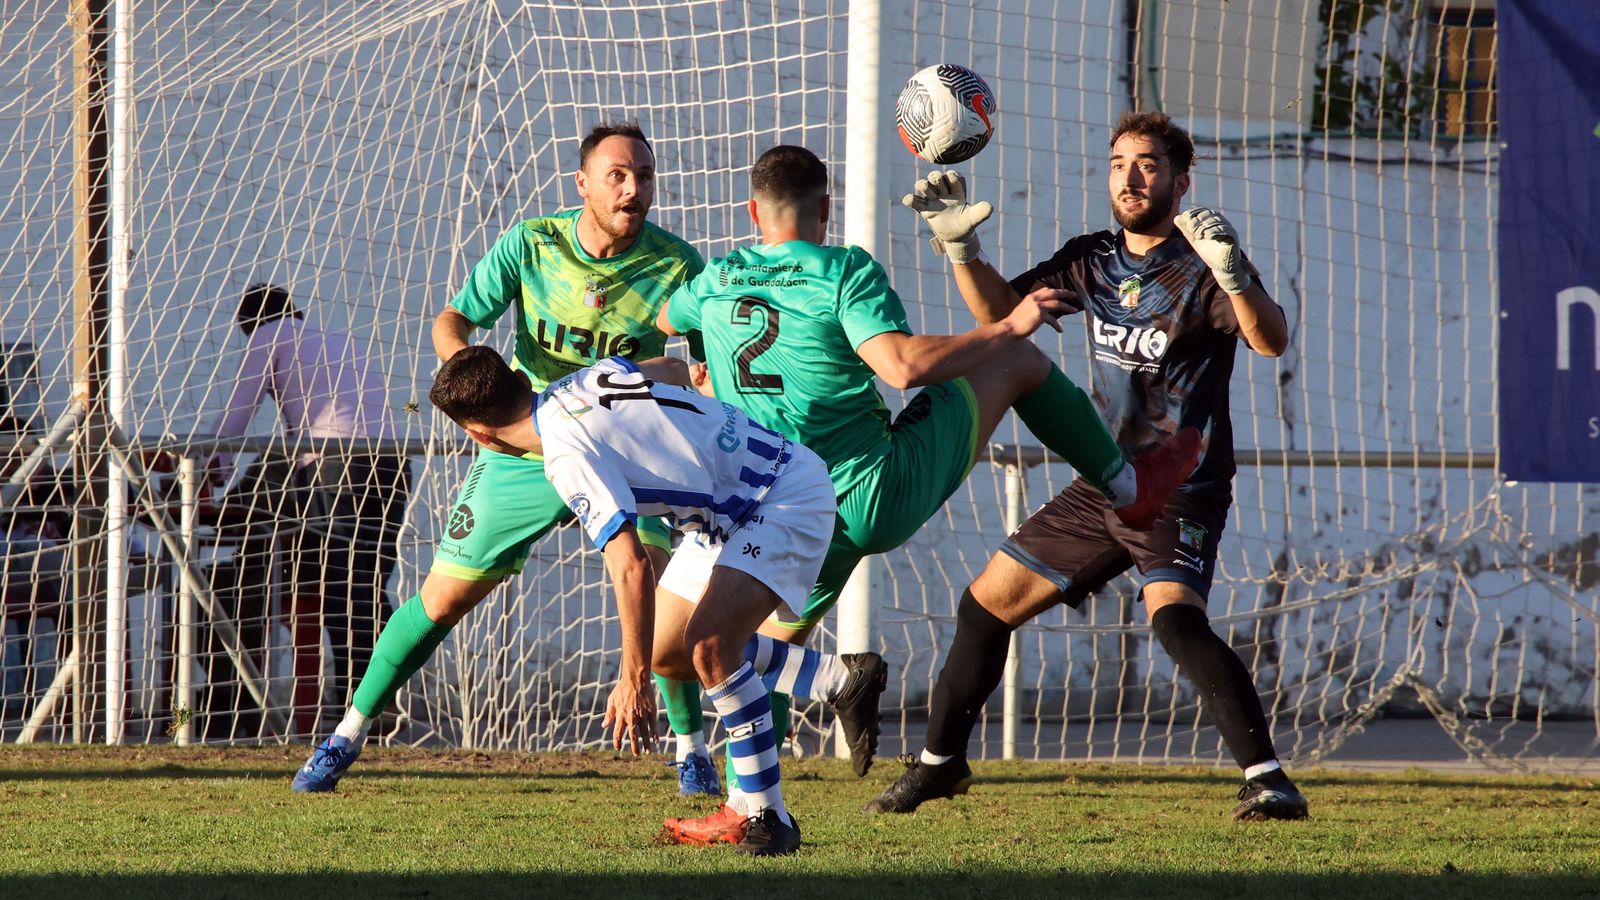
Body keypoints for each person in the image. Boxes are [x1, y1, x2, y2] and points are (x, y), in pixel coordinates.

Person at [652, 144, 1201, 844]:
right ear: (826, 210)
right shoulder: (844, 269)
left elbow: (671, 321)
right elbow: (901, 366)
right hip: (860, 497)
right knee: (1016, 358)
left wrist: (705, 365)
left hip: (760, 503)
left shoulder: (719, 276)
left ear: (753, 213)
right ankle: (1128, 484)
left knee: (703, 653)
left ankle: (767, 789)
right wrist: (1005, 324)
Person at [866, 111, 1307, 821]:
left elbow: (1271, 339)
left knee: (1176, 626)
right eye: (1118, 163)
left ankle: (1268, 779)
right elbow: (1006, 319)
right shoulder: (1092, 258)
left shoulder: (1201, 267)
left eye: (1149, 165)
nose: (1130, 177)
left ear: (1181, 180)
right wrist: (961, 248)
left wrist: (1236, 273)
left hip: (1177, 487)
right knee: (983, 607)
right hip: (1106, 478)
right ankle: (939, 765)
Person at [292, 122, 703, 790]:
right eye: (618, 176)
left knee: (652, 589)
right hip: (526, 446)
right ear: (583, 184)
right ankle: (346, 735)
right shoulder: (533, 243)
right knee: (443, 599)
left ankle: (689, 750)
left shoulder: (678, 266)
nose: (634, 190)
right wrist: (471, 383)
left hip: (628, 449)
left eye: (644, 178)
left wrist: (669, 380)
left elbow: (702, 370)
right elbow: (450, 322)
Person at [430, 347, 886, 856]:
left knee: (711, 647)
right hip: (718, 514)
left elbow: (630, 564)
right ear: (519, 379)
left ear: (479, 434)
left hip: (778, 495)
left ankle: (766, 816)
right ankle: (842, 681)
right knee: (669, 651)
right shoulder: (584, 378)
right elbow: (670, 370)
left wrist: (632, 681)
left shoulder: (564, 452)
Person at [207, 283, 411, 737]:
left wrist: (209, 470)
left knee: (337, 591)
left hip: (341, 465)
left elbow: (237, 414)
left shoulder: (269, 335)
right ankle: (372, 714)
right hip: (394, 461)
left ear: (249, 324)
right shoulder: (335, 340)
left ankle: (229, 710)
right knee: (366, 588)